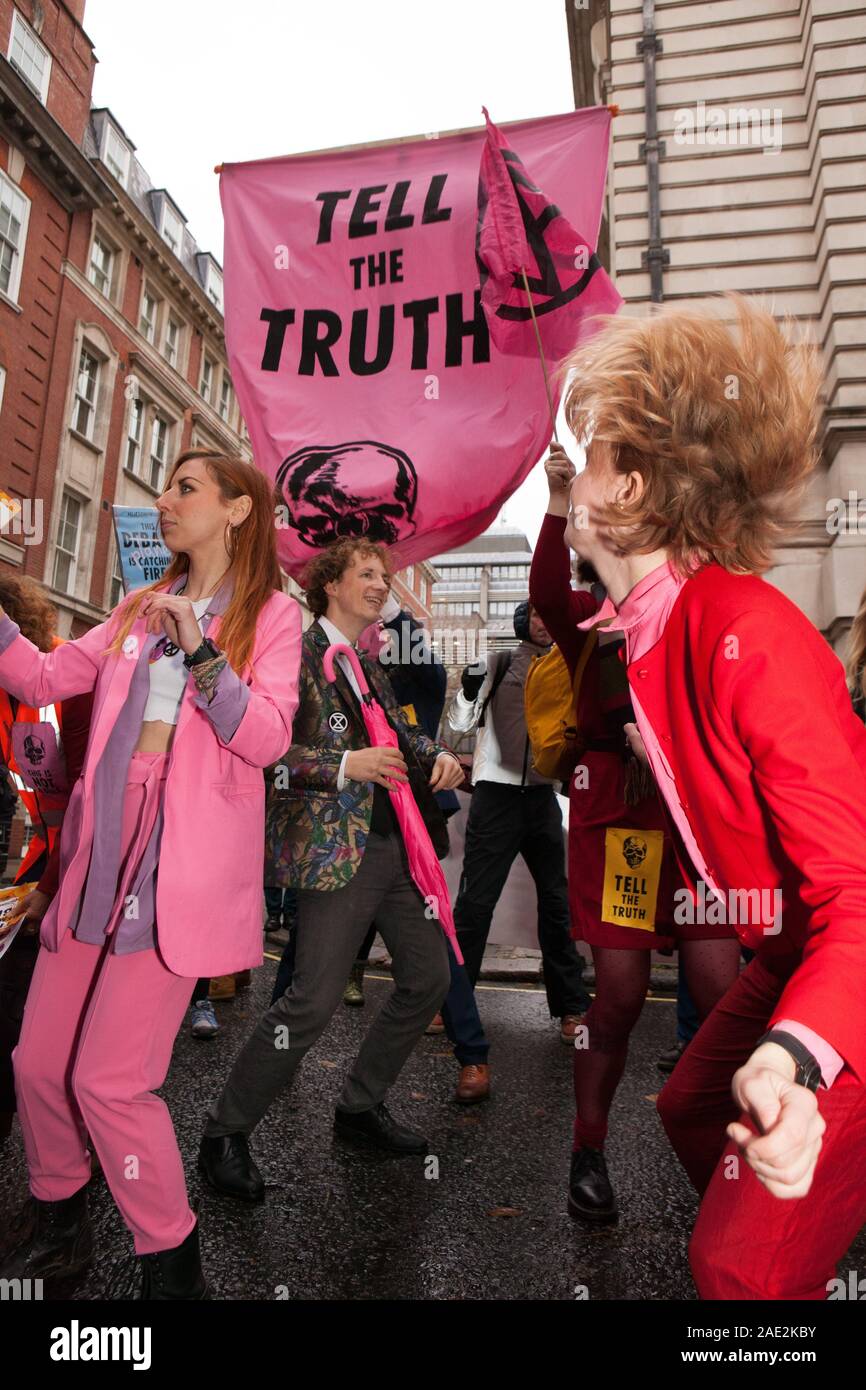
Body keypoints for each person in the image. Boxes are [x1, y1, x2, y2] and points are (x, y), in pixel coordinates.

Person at [561, 294, 866, 1301]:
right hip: (789, 954)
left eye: (592, 452)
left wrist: (794, 1058)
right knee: (692, 1104)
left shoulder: (743, 625)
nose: (572, 467)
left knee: (728, 1268)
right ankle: (799, 1253)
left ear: (635, 489)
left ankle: (771, 1268)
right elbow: (550, 594)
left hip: (845, 963)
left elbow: (856, 900)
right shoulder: (647, 625)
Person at [0, 449, 301, 1299]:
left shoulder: (274, 617)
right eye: (164, 486)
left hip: (175, 867)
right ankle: (60, 1226)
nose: (163, 500)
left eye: (185, 488)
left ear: (240, 510)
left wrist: (204, 652)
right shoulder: (135, 607)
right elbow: (46, 675)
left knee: (109, 1080)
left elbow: (269, 737)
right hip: (100, 856)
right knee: (36, 1061)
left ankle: (173, 1267)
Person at [199, 537, 465, 1200]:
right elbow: (268, 749)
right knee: (312, 1001)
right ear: (331, 585)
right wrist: (346, 765)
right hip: (333, 852)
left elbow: (401, 731)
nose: (382, 585)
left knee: (429, 978)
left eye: (386, 575)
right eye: (368, 574)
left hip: (397, 847)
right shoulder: (298, 652)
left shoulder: (367, 665)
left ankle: (359, 1106)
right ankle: (223, 1135)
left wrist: (438, 755)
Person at [530, 481, 739, 1222]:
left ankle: (726, 1159)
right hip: (621, 825)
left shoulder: (695, 611)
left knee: (722, 998)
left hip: (697, 826)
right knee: (617, 997)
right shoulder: (588, 622)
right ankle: (589, 1149)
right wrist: (558, 499)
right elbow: (547, 587)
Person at [444, 601, 591, 1076]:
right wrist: (468, 689)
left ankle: (571, 1009)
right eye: (537, 616)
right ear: (523, 623)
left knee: (556, 903)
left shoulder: (569, 667)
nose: (545, 622)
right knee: (474, 906)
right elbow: (460, 724)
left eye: (550, 614)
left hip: (542, 799)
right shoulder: (499, 661)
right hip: (496, 796)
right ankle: (450, 1004)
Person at [0, 575, 93, 1145]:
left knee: (26, 1007)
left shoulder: (69, 681)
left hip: (68, 872)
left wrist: (49, 888)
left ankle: (66, 1141)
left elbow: (86, 795)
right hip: (31, 866)